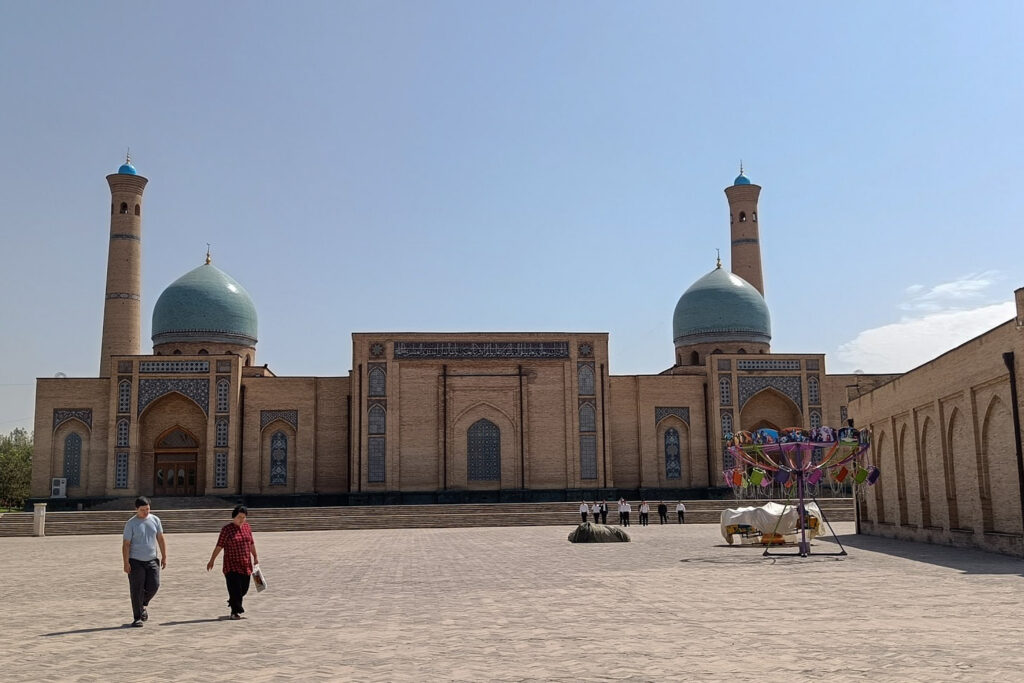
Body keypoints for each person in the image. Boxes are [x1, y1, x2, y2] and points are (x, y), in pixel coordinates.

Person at [207, 505, 259, 620]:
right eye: (239, 517)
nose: (242, 520)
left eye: (244, 517)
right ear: (234, 516)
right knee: (235, 588)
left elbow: (251, 543)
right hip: (231, 565)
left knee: (243, 589)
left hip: (245, 564)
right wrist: (212, 560)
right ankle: (235, 612)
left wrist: (255, 556)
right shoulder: (227, 530)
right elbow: (219, 545)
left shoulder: (247, 527)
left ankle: (233, 600)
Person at [122, 496, 167, 628]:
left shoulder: (155, 520)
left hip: (152, 559)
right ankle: (137, 617)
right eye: (142, 510)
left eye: (147, 509)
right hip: (135, 561)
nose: (146, 512)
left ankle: (143, 604)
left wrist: (164, 556)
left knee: (154, 585)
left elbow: (160, 538)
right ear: (136, 509)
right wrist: (126, 562)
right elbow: (126, 544)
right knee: (136, 589)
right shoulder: (131, 523)